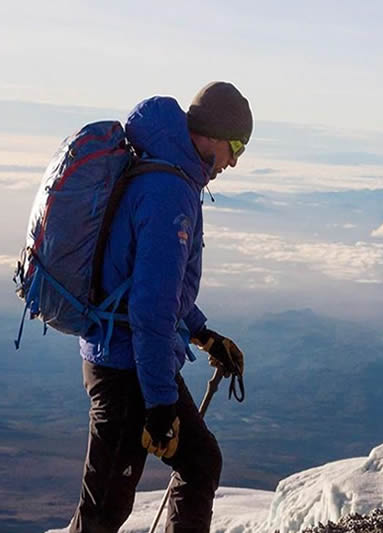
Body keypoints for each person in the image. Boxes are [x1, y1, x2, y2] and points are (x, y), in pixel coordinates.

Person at [69, 81, 251, 533]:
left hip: (120, 355)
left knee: (198, 463)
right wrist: (159, 406)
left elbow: (155, 289)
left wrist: (204, 334)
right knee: (101, 514)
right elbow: (151, 309)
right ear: (211, 136)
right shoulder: (170, 192)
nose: (234, 162)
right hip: (127, 368)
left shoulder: (161, 171)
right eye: (236, 147)